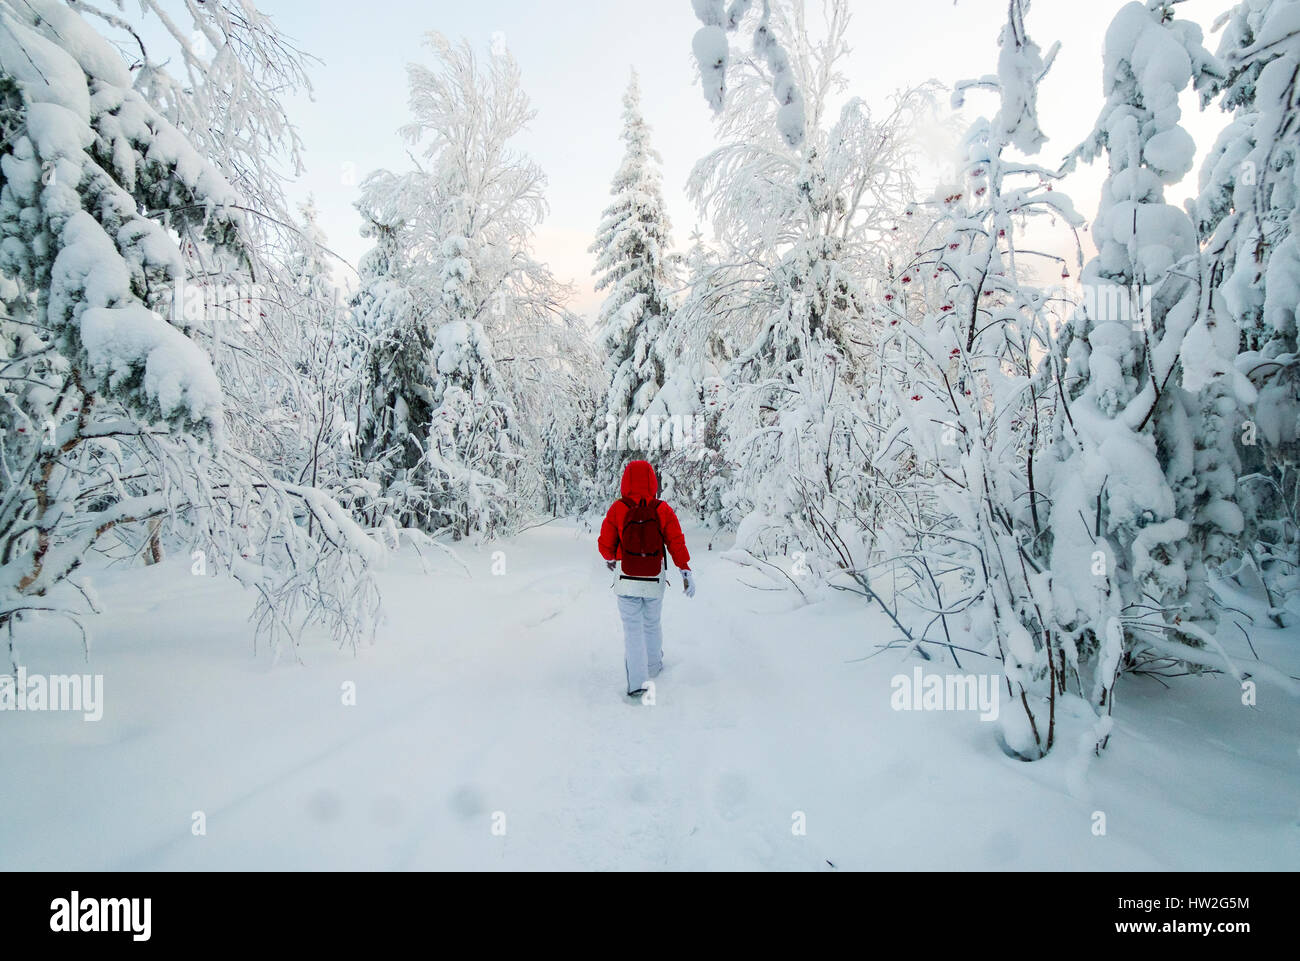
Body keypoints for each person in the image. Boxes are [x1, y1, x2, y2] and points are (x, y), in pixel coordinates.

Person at [597, 460, 695, 697]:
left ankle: (637, 683)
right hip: (654, 579)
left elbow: (605, 545)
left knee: (632, 629)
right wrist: (685, 569)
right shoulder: (662, 509)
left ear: (625, 481)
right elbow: (676, 541)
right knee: (651, 623)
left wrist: (611, 557)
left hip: (626, 578)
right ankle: (654, 667)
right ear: (653, 481)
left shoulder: (618, 508)